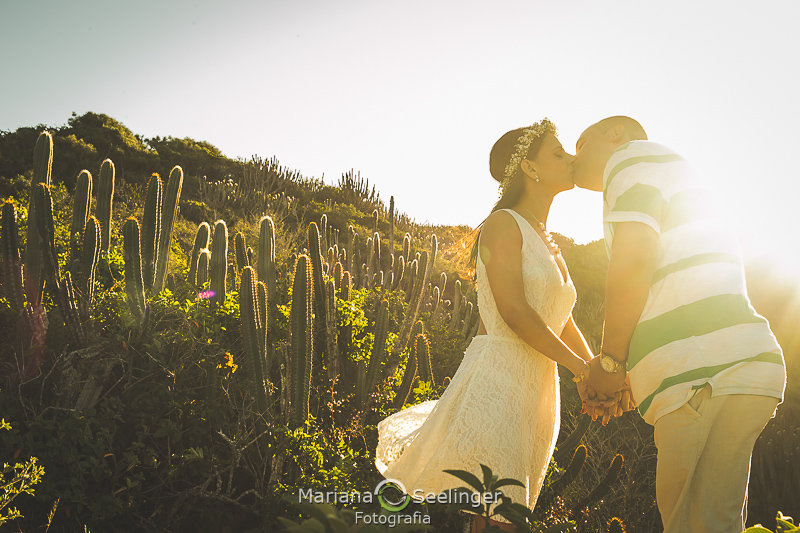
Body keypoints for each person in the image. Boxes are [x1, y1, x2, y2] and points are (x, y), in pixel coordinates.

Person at [375, 119, 621, 532]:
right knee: (502, 513)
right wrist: (582, 370)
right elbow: (517, 312)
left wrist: (592, 371)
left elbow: (561, 320)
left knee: (500, 513)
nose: (571, 159)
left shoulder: (548, 239)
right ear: (530, 168)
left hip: (538, 388)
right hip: (500, 381)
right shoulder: (504, 224)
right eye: (558, 153)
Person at [571, 116, 787, 533]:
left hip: (704, 376)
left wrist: (612, 363)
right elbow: (669, 289)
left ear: (614, 133)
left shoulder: (629, 159)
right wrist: (638, 371)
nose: (573, 158)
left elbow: (634, 261)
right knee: (715, 522)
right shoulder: (667, 166)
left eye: (579, 145)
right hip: (729, 365)